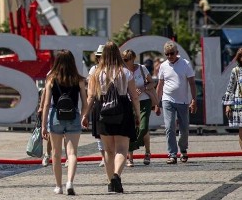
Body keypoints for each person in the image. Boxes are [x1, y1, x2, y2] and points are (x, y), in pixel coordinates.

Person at [81, 41, 140, 194]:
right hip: (123, 110)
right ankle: (116, 176)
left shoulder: (96, 73)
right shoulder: (126, 73)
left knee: (108, 150)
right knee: (122, 148)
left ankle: (110, 183)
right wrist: (138, 115)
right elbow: (134, 97)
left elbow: (91, 97)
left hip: (102, 110)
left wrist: (85, 114)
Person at [41, 50, 87, 196]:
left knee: (55, 153)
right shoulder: (78, 79)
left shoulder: (51, 79)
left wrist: (43, 125)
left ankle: (58, 186)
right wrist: (84, 117)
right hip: (73, 116)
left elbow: (47, 104)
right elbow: (85, 103)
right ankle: (70, 183)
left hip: (56, 116)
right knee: (72, 153)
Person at [156, 41, 197, 164]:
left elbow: (192, 83)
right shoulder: (163, 66)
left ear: (177, 53)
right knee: (169, 127)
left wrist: (194, 100)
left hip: (183, 101)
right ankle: (172, 154)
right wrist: (156, 103)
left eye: (172, 53)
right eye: (167, 54)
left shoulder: (185, 64)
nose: (169, 56)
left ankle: (183, 149)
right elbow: (160, 85)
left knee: (184, 129)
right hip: (167, 100)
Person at [123, 49, 159, 166]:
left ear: (133, 59)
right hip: (129, 103)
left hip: (144, 102)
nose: (125, 61)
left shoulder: (141, 68)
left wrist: (143, 88)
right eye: (123, 59)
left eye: (127, 59)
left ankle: (142, 149)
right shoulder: (122, 71)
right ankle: (130, 158)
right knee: (131, 129)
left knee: (143, 128)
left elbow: (153, 83)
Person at [222, 48, 242, 152]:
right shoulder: (236, 70)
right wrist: (228, 105)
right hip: (240, 104)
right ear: (240, 58)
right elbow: (230, 88)